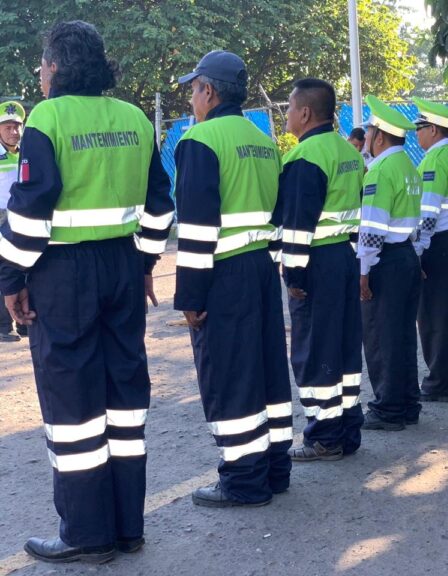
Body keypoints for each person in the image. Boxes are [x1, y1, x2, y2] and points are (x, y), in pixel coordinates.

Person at [0, 21, 174, 563]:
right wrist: (144, 262)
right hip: (122, 266)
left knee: (73, 401)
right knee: (124, 397)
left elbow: (29, 213)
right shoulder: (134, 119)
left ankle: (85, 534)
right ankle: (128, 527)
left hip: (63, 273)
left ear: (55, 66)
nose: (41, 74)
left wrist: (9, 281)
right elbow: (159, 207)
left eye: (42, 65)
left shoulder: (47, 119)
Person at [174, 51, 293, 506]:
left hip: (221, 273)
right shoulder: (262, 140)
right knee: (266, 369)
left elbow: (197, 228)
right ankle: (274, 469)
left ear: (209, 90)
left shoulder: (201, 139)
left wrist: (190, 294)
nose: (191, 98)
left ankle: (243, 481)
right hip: (260, 268)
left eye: (193, 88)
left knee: (228, 373)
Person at [279, 78, 365, 461]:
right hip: (344, 258)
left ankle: (323, 436)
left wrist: (293, 275)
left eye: (290, 108)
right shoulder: (348, 153)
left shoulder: (304, 158)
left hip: (315, 263)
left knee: (314, 349)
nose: (286, 115)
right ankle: (347, 428)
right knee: (344, 347)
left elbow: (298, 224)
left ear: (305, 113)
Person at [357, 95, 422, 431]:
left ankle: (388, 408)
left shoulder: (380, 170)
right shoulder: (408, 167)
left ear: (379, 136)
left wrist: (364, 272)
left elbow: (372, 227)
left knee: (381, 336)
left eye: (369, 133)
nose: (367, 138)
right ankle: (407, 402)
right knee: (402, 335)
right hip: (407, 256)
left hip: (386, 261)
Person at [412, 97, 448, 403]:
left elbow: (427, 215)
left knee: (435, 317)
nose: (416, 134)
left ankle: (438, 384)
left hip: (439, 244)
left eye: (420, 128)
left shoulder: (434, 161)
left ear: (433, 129)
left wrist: (418, 253)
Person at [0, 101, 25, 341]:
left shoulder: (27, 152)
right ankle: (3, 326)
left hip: (21, 217)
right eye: (7, 127)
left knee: (23, 268)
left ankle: (25, 323)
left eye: (17, 126)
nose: (13, 131)